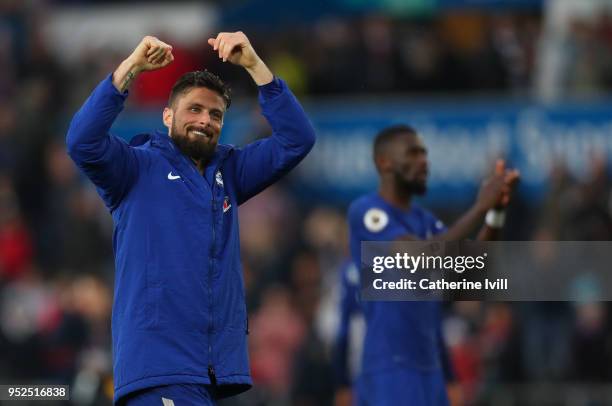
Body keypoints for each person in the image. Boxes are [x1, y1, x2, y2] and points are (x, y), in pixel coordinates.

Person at [66, 32, 315, 406]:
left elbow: (298, 139)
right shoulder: (135, 167)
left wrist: (252, 64)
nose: (205, 120)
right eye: (194, 109)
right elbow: (82, 141)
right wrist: (131, 67)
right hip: (159, 370)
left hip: (209, 373)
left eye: (216, 114)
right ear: (168, 116)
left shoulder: (229, 171)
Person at [345, 125, 519, 406]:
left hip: (431, 369)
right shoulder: (367, 212)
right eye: (412, 153)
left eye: (424, 153)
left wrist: (495, 214)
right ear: (384, 162)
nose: (423, 160)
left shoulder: (426, 222)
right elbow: (417, 257)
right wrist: (480, 207)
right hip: (391, 368)